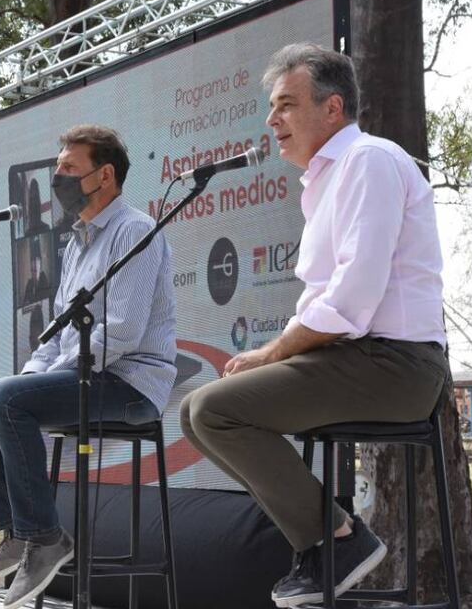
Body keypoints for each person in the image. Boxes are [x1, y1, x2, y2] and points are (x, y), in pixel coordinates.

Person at [180, 43, 450, 608]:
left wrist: (275, 351)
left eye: (285, 105)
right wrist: (273, 351)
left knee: (214, 409)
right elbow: (326, 301)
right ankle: (330, 539)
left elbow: (352, 298)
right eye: (271, 107)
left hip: (396, 365)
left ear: (332, 108)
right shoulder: (323, 181)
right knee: (195, 411)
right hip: (355, 358)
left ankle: (335, 540)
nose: (271, 120)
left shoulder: (368, 161)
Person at [0, 124, 178, 609]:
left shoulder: (134, 230)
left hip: (131, 382)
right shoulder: (75, 244)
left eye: (69, 169)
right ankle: (17, 532)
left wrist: (47, 379)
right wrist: (35, 377)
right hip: (86, 372)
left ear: (105, 175)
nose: (59, 179)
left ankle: (45, 538)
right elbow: (58, 332)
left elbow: (122, 331)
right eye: (57, 169)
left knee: (5, 400)